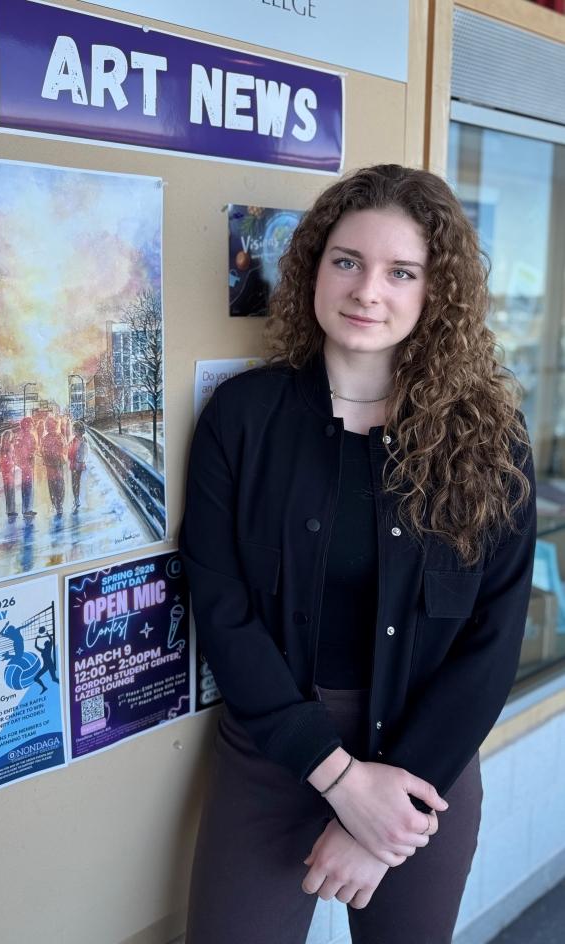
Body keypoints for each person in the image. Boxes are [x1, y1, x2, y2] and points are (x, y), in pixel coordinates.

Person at [179, 164, 536, 944]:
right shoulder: (243, 418)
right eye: (347, 261)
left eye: (400, 271)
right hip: (275, 749)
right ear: (313, 268)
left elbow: (493, 637)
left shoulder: (489, 437)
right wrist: (339, 780)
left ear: (434, 292)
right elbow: (222, 607)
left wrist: (385, 816)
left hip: (424, 763)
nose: (367, 291)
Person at [41, 416, 67, 516]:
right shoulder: (58, 437)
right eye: (50, 426)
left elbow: (64, 449)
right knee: (56, 485)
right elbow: (43, 451)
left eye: (53, 426)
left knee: (56, 484)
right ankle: (58, 504)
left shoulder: (54, 437)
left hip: (55, 464)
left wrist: (51, 453)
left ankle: (58, 504)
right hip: (53, 465)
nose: (51, 428)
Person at [14, 417, 38, 519]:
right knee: (27, 486)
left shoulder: (26, 436)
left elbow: (34, 447)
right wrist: (26, 457)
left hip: (28, 464)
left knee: (28, 487)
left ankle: (27, 509)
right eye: (30, 424)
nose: (31, 426)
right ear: (26, 425)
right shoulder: (22, 436)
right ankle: (27, 509)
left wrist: (32, 453)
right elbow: (18, 450)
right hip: (25, 465)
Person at [68, 421, 88, 512]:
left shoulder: (76, 441)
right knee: (77, 483)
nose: (72, 431)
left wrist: (74, 457)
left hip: (76, 464)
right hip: (78, 464)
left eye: (74, 430)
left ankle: (76, 500)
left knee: (75, 483)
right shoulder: (82, 440)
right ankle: (76, 499)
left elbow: (72, 453)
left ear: (77, 431)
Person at [0, 428, 17, 520]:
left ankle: (10, 510)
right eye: (9, 436)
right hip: (9, 469)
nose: (10, 437)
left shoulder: (2, 446)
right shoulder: (8, 446)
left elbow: (1, 459)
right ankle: (11, 511)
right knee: (10, 489)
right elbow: (10, 457)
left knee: (8, 489)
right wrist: (12, 463)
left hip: (6, 469)